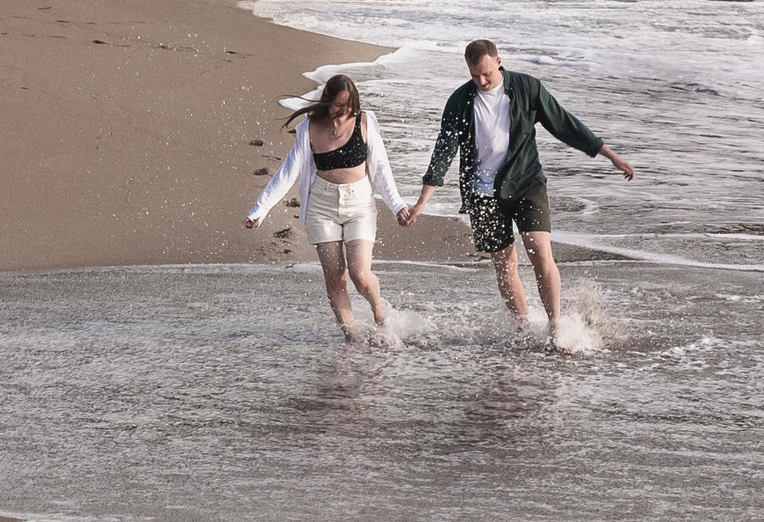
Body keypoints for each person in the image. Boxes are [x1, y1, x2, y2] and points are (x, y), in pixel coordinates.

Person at [398, 39, 634, 342]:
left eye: (486, 74)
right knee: (504, 262)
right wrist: (421, 203)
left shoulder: (526, 88)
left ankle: (555, 328)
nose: (482, 81)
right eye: (474, 76)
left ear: (499, 62)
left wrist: (611, 156)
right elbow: (443, 153)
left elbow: (564, 124)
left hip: (526, 182)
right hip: (482, 194)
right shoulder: (460, 101)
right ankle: (523, 327)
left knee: (539, 252)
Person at [246, 74, 407, 343]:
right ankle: (351, 336)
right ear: (327, 102)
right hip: (322, 206)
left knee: (360, 274)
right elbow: (287, 173)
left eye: (346, 106)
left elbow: (381, 170)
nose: (341, 112)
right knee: (335, 278)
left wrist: (398, 205)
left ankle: (379, 313)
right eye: (336, 106)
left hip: (360, 204)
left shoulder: (365, 123)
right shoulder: (310, 128)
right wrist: (259, 211)